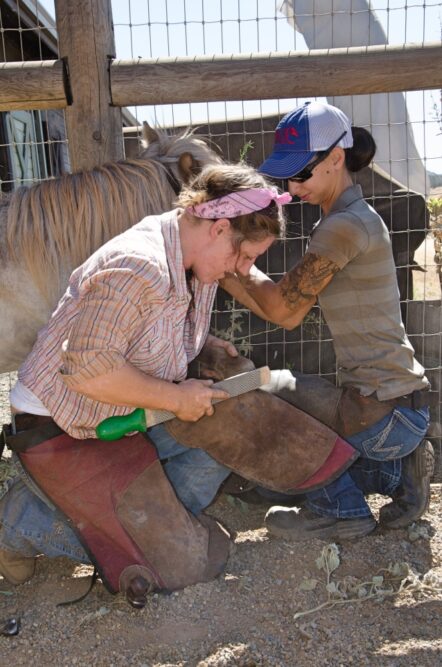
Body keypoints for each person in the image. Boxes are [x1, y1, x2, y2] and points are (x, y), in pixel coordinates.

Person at [0, 163, 289, 587]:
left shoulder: (193, 259)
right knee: (163, 563)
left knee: (227, 433)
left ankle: (132, 511)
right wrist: (176, 399)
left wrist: (200, 345)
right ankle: (18, 523)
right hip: (60, 424)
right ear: (219, 227)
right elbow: (87, 368)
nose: (243, 269)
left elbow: (138, 328)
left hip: (117, 412)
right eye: (244, 256)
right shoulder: (141, 265)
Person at [222, 101, 435, 541]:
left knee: (262, 387)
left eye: (300, 172)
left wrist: (228, 265)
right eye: (287, 173)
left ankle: (339, 510)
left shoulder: (344, 226)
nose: (292, 183)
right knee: (282, 442)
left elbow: (284, 311)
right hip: (399, 407)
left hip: (381, 413)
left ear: (336, 159)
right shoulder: (353, 218)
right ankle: (398, 474)